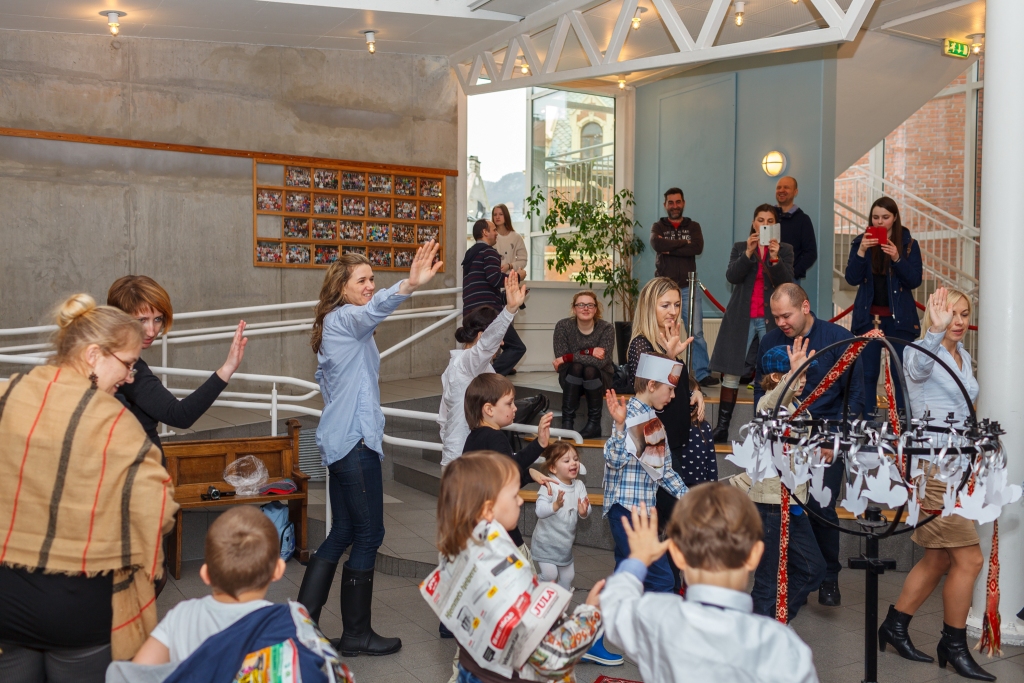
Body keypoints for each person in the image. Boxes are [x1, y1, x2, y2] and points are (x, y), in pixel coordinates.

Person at [0, 294, 177, 682]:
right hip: (78, 607)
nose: (130, 377)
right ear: (93, 355)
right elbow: (157, 511)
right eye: (127, 364)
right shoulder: (113, 421)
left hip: (7, 598)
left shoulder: (10, 394)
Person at [296, 241, 442, 656]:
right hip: (353, 442)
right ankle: (356, 634)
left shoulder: (335, 325)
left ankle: (302, 627)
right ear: (342, 287)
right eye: (362, 280)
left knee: (343, 531)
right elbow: (374, 310)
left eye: (372, 279)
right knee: (369, 533)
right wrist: (408, 285)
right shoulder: (345, 319)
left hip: (341, 441)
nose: (369, 285)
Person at [879, 287, 993, 681]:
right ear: (935, 313)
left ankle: (894, 626)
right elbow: (915, 371)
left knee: (939, 558)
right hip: (934, 472)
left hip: (958, 470)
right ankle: (953, 646)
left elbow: (963, 409)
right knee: (970, 560)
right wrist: (934, 331)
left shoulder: (963, 357)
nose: (958, 321)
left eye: (964, 314)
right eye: (951, 313)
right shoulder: (920, 350)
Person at [595, 487, 818, 683]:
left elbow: (614, 604)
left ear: (678, 555)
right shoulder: (783, 646)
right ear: (755, 555)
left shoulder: (658, 617)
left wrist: (638, 559)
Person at [428, 452, 602, 683]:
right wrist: (589, 615)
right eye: (513, 495)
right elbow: (549, 656)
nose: (520, 501)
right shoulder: (504, 574)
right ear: (488, 509)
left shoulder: (461, 552)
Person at [753, 284, 863, 607]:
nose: (780, 323)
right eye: (775, 317)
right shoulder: (770, 341)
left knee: (821, 507)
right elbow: (761, 392)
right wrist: (766, 433)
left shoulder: (837, 339)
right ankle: (793, 575)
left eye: (786, 315)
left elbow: (855, 394)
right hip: (784, 440)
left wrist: (835, 438)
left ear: (805, 307)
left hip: (825, 437)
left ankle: (828, 575)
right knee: (786, 509)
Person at [107, 275, 248, 451]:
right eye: (141, 320)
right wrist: (227, 368)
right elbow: (179, 415)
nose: (151, 331)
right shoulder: (125, 367)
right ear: (119, 319)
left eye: (157, 319)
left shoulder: (113, 357)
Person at [132, 507, 286, 665]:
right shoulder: (285, 624)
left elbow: (138, 670)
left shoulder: (181, 617)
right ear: (278, 570)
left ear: (206, 574)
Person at [742, 340, 826, 621]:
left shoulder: (799, 406)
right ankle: (760, 634)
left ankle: (777, 622)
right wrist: (793, 376)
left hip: (793, 502)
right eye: (796, 375)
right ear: (778, 378)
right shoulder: (768, 404)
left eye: (804, 374)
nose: (803, 380)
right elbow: (773, 404)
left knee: (813, 568)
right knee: (767, 581)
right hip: (771, 505)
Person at [709, 204, 795, 443]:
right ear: (753, 223)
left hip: (772, 318)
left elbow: (787, 284)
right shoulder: (741, 247)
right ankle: (722, 427)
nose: (764, 224)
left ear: (776, 225)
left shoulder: (785, 250)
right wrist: (748, 254)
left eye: (770, 221)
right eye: (760, 220)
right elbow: (732, 276)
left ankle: (770, 427)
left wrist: (775, 258)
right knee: (731, 372)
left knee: (773, 373)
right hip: (742, 317)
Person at [844, 196, 923, 419]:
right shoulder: (861, 243)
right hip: (868, 318)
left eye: (885, 217)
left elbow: (914, 280)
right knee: (868, 373)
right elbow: (851, 278)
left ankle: (903, 420)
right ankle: (867, 420)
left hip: (900, 320)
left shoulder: (908, 245)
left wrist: (897, 258)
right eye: (875, 217)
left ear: (895, 218)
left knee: (900, 374)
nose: (880, 222)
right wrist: (861, 251)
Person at [438, 271, 525, 468]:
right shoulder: (466, 363)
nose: (502, 343)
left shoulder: (476, 366)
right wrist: (509, 310)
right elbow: (487, 345)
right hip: (462, 462)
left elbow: (443, 418)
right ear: (481, 335)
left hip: (471, 459)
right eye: (499, 337)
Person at [650, 187, 715, 386]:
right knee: (662, 331)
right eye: (671, 202)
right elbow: (657, 245)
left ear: (683, 203)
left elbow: (697, 247)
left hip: (688, 288)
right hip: (664, 289)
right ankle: (662, 371)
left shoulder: (693, 226)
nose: (675, 206)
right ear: (665, 205)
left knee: (697, 333)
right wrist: (683, 243)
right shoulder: (658, 226)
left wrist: (670, 248)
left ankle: (701, 374)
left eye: (678, 202)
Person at [463, 219, 525, 376]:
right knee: (516, 347)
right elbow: (495, 279)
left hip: (471, 311)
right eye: (493, 230)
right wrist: (518, 276)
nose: (496, 233)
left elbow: (484, 287)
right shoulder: (488, 252)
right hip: (488, 313)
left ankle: (477, 379)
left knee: (478, 351)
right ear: (485, 232)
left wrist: (509, 296)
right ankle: (489, 379)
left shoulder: (470, 255)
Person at [552, 290, 615, 438]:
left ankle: (594, 424)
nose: (585, 308)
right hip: (571, 379)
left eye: (590, 305)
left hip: (599, 380)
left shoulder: (606, 328)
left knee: (590, 370)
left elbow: (600, 362)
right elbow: (562, 363)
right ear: (574, 309)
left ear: (596, 309)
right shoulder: (563, 326)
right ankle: (567, 422)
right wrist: (590, 351)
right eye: (580, 305)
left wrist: (569, 357)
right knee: (576, 367)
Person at [531, 442, 591, 590]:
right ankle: (532, 587)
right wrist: (555, 506)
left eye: (575, 459)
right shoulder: (549, 485)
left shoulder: (579, 486)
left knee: (568, 577)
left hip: (565, 545)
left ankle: (559, 601)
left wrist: (584, 511)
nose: (573, 463)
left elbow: (586, 508)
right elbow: (539, 511)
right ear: (553, 468)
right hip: (545, 543)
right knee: (550, 575)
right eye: (566, 460)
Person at [775, 177, 818, 282]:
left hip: (790, 280)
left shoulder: (803, 220)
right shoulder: (767, 216)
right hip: (764, 278)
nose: (781, 190)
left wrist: (793, 272)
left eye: (786, 187)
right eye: (779, 187)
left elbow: (811, 253)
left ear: (795, 192)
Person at [492, 204, 527, 280]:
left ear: (506, 216)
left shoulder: (516, 237)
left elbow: (523, 260)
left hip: (510, 279)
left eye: (501, 214)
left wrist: (510, 266)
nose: (497, 217)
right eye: (495, 214)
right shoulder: (490, 236)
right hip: (492, 279)